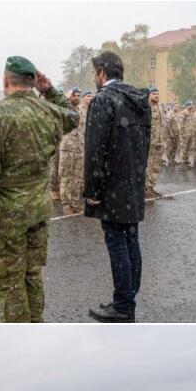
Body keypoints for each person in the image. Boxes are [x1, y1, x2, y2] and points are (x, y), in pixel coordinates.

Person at [0, 56, 78, 322]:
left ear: (6, 80)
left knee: (9, 279)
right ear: (33, 82)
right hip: (38, 210)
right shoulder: (49, 111)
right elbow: (73, 117)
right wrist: (49, 90)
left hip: (7, 213)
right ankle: (35, 324)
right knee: (32, 273)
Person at [82, 51, 151, 324]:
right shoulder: (139, 99)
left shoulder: (103, 100)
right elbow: (146, 144)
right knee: (131, 241)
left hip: (111, 185)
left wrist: (92, 189)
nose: (94, 77)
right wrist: (137, 177)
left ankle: (122, 306)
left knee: (117, 243)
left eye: (94, 72)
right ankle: (128, 299)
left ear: (102, 72)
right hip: (132, 183)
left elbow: (94, 149)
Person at [145, 87, 165, 198]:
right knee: (148, 166)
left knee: (156, 166)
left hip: (159, 142)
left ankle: (151, 187)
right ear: (149, 95)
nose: (156, 95)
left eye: (157, 94)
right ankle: (145, 189)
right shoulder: (146, 108)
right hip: (150, 142)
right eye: (154, 94)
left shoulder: (160, 108)